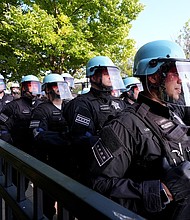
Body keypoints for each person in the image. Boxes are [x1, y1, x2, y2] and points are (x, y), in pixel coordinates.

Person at [87, 40, 190, 220]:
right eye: (175, 72)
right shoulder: (125, 125)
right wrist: (162, 192)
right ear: (153, 76)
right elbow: (99, 185)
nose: (181, 79)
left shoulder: (172, 113)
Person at [63, 55, 128, 183]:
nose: (111, 76)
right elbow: (82, 139)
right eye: (106, 73)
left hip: (120, 166)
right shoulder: (82, 103)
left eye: (112, 73)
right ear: (93, 76)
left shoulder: (119, 102)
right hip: (94, 170)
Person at [29, 73, 73, 219]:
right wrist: (65, 139)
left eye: (61, 85)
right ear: (47, 89)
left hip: (68, 162)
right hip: (49, 162)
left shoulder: (70, 106)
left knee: (67, 202)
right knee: (46, 202)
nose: (59, 89)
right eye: (55, 85)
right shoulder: (42, 109)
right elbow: (38, 134)